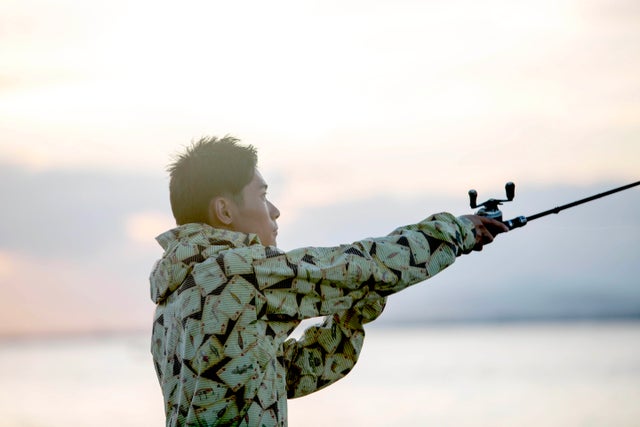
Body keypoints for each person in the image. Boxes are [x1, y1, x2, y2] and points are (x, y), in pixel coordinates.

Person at [150, 135, 508, 426]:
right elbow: (358, 266)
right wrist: (458, 231)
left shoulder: (174, 300)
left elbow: (284, 376)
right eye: (262, 196)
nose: (274, 210)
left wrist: (356, 307)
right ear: (225, 210)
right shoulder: (237, 273)